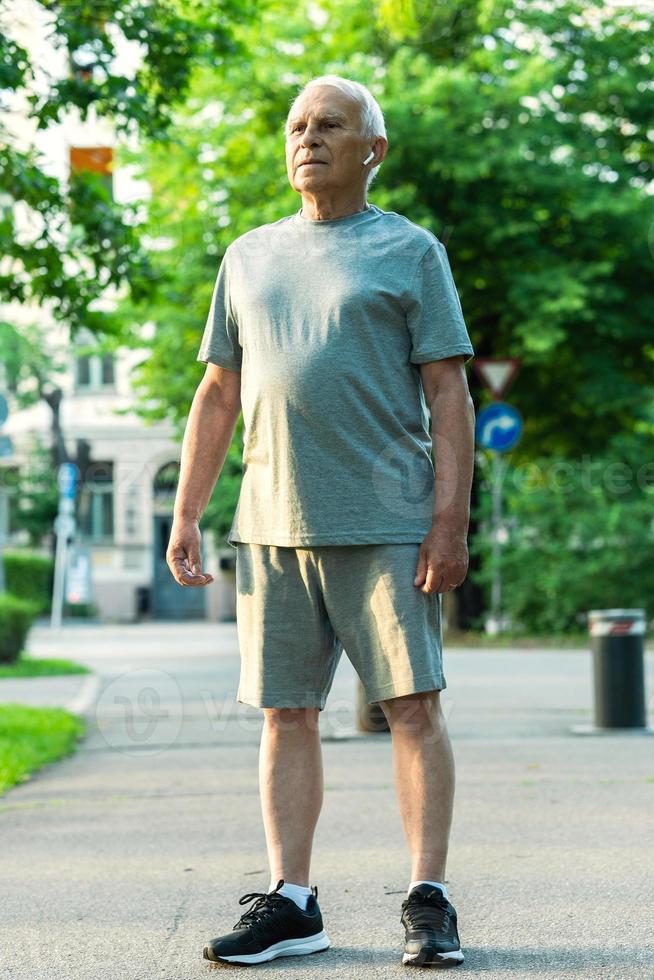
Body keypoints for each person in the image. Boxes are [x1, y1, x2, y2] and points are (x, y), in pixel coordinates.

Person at [167, 74, 475, 968]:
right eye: (298, 125)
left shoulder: (412, 251)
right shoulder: (249, 255)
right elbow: (217, 390)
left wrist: (449, 521)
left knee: (412, 707)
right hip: (270, 523)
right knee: (286, 713)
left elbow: (447, 390)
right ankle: (294, 902)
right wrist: (189, 513)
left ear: (371, 150)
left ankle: (429, 898)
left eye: (330, 125)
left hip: (388, 522)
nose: (308, 138)